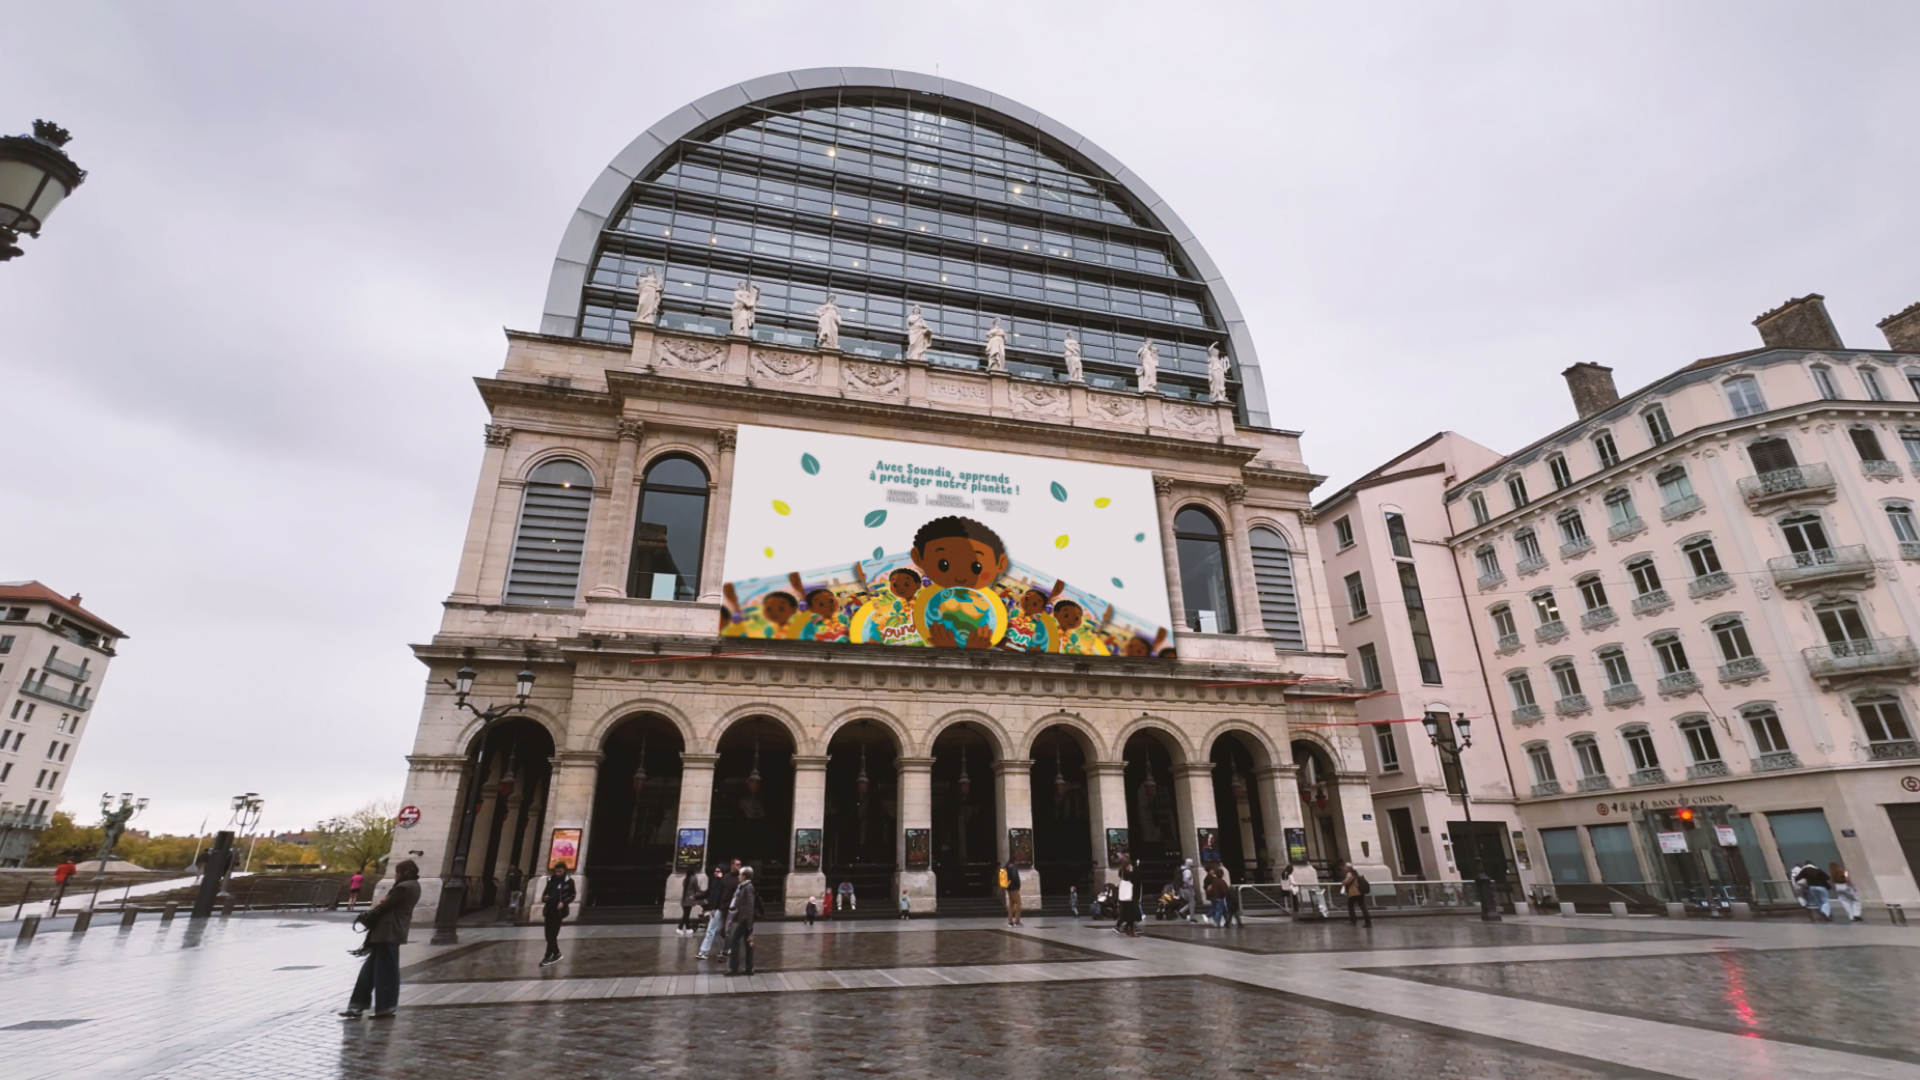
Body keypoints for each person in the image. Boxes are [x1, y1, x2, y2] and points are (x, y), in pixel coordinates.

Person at [341, 860, 420, 1020]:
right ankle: (357, 1006)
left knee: (385, 973)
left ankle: (385, 1008)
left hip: (388, 932)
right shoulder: (414, 885)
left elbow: (385, 906)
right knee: (368, 973)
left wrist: (384, 901)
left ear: (404, 872)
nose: (395, 875)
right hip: (387, 933)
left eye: (397, 872)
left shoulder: (403, 887)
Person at [699, 861, 740, 960]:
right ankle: (724, 949)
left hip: (723, 909)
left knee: (714, 930)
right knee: (716, 930)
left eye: (719, 871)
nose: (716, 873)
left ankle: (705, 951)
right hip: (719, 908)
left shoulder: (725, 882)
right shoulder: (716, 882)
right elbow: (711, 894)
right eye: (715, 871)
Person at [539, 862, 576, 967]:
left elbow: (572, 894)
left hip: (558, 912)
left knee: (553, 934)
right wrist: (545, 898)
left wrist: (564, 902)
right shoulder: (550, 880)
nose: (558, 873)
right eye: (556, 871)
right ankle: (556, 953)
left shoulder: (569, 882)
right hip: (549, 909)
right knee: (548, 934)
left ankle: (547, 956)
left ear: (564, 870)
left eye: (560, 871)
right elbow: (545, 893)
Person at [725, 866, 758, 976]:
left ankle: (734, 968)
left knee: (735, 940)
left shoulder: (748, 887)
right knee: (748, 943)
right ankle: (749, 968)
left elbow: (750, 906)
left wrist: (749, 924)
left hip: (744, 920)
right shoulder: (741, 887)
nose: (738, 876)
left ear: (744, 876)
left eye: (740, 874)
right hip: (741, 918)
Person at [1114, 856, 1141, 937]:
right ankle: (1129, 930)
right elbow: (1134, 875)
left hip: (1126, 897)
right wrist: (1137, 866)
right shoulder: (1126, 873)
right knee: (1131, 913)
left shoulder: (1122, 872)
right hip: (1129, 897)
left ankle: (1129, 929)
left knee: (1129, 914)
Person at [677, 866, 706, 935]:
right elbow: (696, 889)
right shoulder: (694, 879)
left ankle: (688, 928)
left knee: (686, 914)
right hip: (690, 898)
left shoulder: (685, 879)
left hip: (684, 898)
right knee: (686, 915)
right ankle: (679, 928)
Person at [1342, 862, 1372, 927]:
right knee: (1363, 907)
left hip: (1354, 893)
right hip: (1360, 892)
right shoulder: (1355, 873)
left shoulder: (1349, 874)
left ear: (1347, 868)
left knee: (1350, 906)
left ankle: (1353, 921)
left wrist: (1343, 882)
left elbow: (1346, 882)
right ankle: (1368, 922)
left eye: (1345, 867)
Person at [1000, 860, 1023, 927]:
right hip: (1014, 888)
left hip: (1009, 888)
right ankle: (1017, 922)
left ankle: (1010, 921)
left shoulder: (1007, 867)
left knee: (1011, 904)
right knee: (1019, 904)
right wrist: (1018, 885)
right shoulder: (1013, 868)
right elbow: (1014, 877)